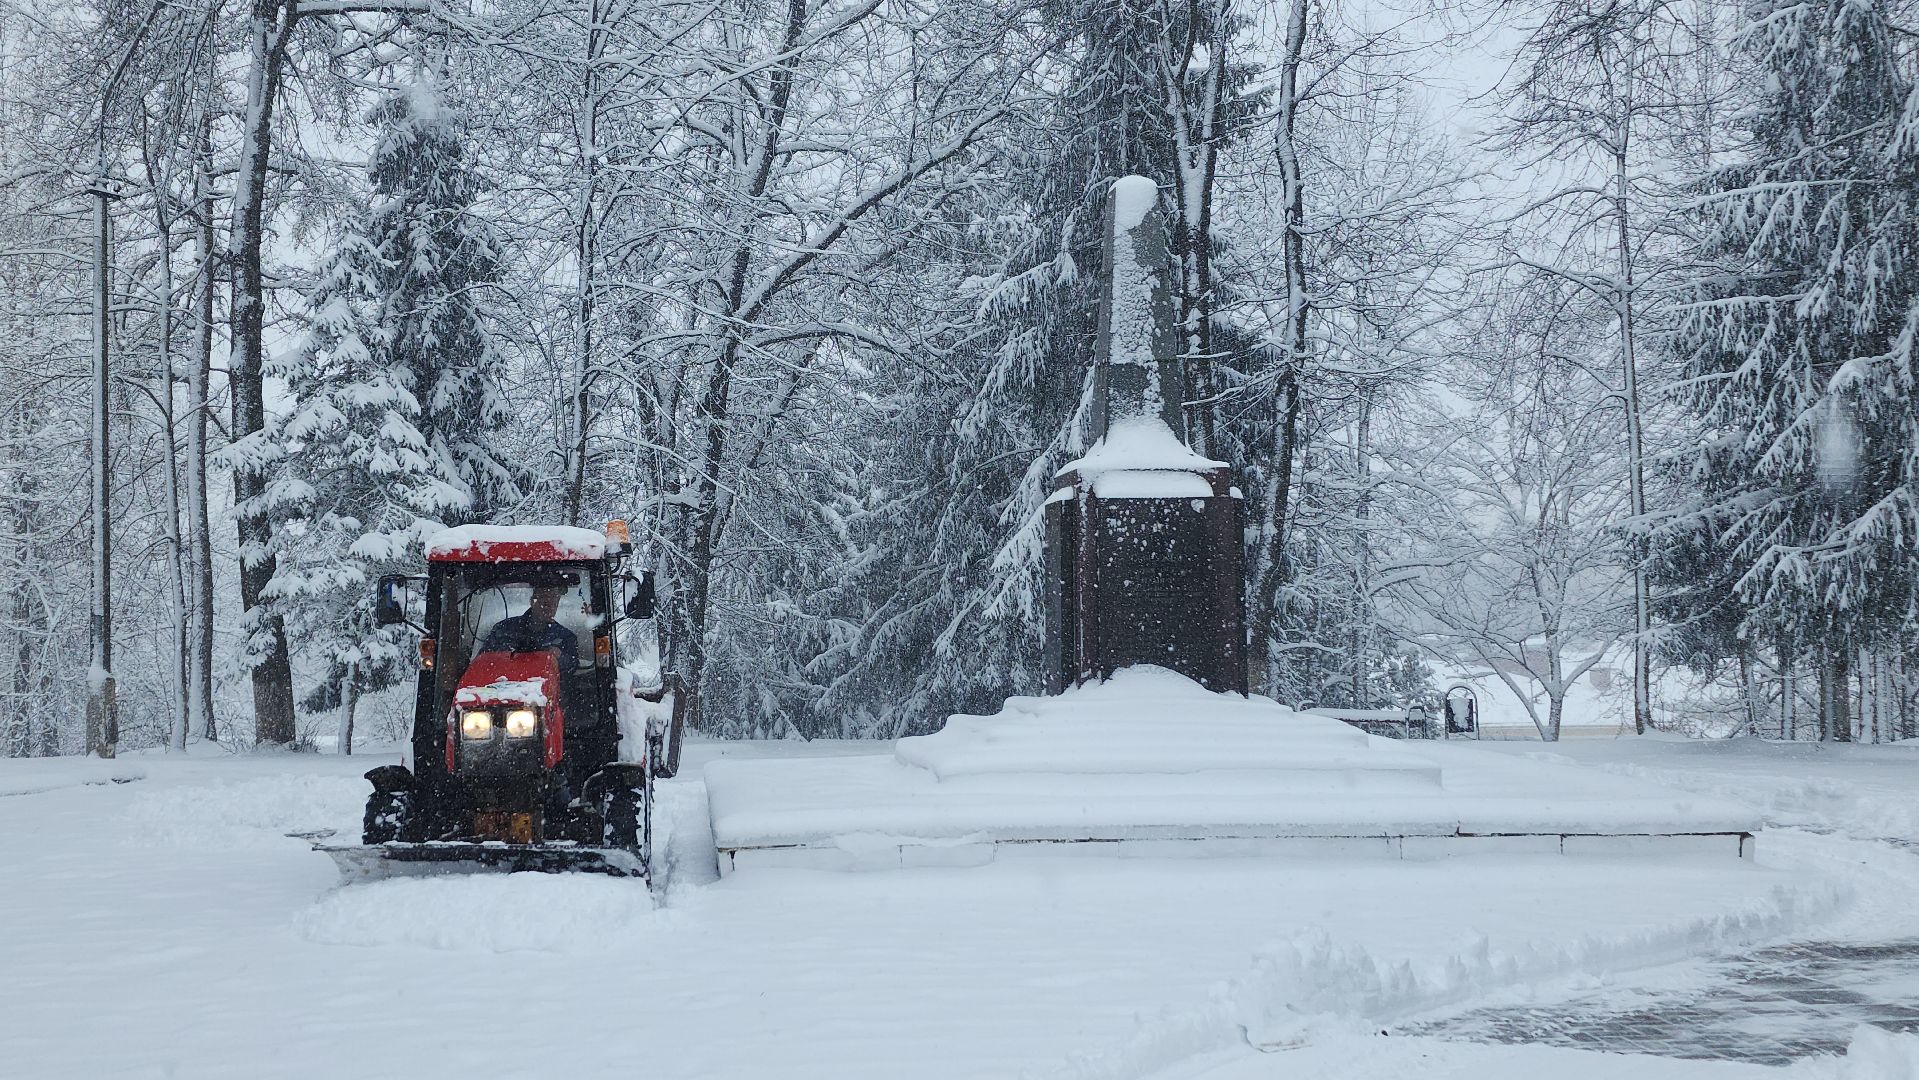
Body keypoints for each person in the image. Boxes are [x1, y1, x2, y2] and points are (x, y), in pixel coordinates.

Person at [481, 583, 580, 670]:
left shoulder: (566, 637)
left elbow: (573, 667)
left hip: (547, 687)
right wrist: (506, 655)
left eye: (554, 603)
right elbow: (482, 660)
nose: (549, 607)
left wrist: (559, 657)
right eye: (545, 602)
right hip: (503, 685)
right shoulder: (503, 629)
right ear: (533, 601)